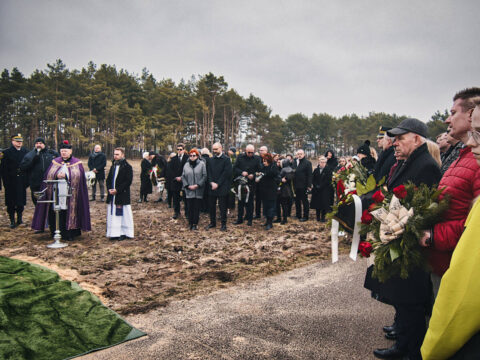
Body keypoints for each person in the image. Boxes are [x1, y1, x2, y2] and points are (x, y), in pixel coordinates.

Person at [368, 118, 441, 360]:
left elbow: (421, 209)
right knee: (402, 299)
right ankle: (403, 344)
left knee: (411, 303)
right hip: (398, 235)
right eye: (394, 139)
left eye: (400, 139)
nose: (395, 143)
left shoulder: (425, 165)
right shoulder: (410, 161)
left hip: (409, 243)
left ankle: (411, 351)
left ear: (417, 139)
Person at [421, 98, 480, 359]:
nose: (447, 120)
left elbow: (471, 228)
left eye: (453, 113)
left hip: (456, 264)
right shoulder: (462, 156)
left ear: (470, 116)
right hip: (443, 259)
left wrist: (433, 235)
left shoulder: (473, 160)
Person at [31, 140, 91, 240]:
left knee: (68, 211)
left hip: (71, 194)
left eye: (66, 151)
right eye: (62, 151)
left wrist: (67, 176)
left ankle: (70, 233)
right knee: (56, 210)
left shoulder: (77, 163)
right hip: (56, 192)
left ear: (70, 152)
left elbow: (79, 177)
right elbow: (48, 175)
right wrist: (56, 175)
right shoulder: (55, 162)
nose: (64, 153)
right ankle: (55, 231)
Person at [20, 137, 59, 206]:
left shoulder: (51, 154)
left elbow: (59, 164)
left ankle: (49, 216)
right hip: (36, 184)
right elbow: (23, 167)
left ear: (44, 144)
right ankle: (39, 216)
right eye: (37, 143)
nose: (38, 145)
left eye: (40, 143)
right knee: (38, 204)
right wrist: (32, 162)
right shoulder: (29, 155)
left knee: (50, 203)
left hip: (50, 183)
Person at [105, 147, 134, 240]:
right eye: (114, 154)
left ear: (123, 155)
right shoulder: (113, 166)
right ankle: (114, 233)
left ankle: (123, 232)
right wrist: (109, 189)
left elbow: (128, 181)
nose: (115, 156)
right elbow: (109, 179)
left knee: (122, 214)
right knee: (113, 214)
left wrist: (118, 190)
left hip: (122, 195)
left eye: (117, 154)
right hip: (112, 195)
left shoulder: (127, 167)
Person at [0, 134, 28, 228]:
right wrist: (6, 182)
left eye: (20, 141)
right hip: (10, 182)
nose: (19, 143)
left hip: (21, 181)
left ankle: (19, 219)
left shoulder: (25, 152)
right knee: (11, 203)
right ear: (12, 141)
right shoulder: (6, 152)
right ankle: (12, 220)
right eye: (17, 141)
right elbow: (3, 169)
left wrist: (26, 181)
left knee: (20, 202)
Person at [205, 142, 232, 231]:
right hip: (212, 186)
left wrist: (218, 184)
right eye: (213, 149)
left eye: (216, 149)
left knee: (222, 207)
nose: (214, 151)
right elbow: (208, 173)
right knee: (211, 206)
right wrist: (212, 183)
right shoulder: (210, 160)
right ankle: (212, 222)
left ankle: (223, 224)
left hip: (222, 187)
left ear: (221, 148)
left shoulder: (226, 159)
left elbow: (226, 173)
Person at [233, 144, 261, 226]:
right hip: (241, 183)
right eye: (249, 152)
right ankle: (239, 219)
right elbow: (235, 168)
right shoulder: (240, 157)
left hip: (251, 183)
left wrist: (254, 175)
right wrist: (242, 172)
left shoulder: (257, 158)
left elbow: (259, 170)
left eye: (252, 152)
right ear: (246, 151)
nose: (250, 154)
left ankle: (249, 219)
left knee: (250, 202)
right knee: (240, 201)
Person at [182, 149, 207, 230]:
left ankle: (195, 223)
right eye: (191, 155)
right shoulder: (186, 165)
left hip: (198, 190)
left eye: (194, 155)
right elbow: (183, 176)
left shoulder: (202, 164)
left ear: (197, 156)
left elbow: (204, 176)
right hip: (189, 190)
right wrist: (187, 185)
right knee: (189, 207)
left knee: (196, 208)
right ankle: (190, 222)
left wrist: (198, 185)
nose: (192, 157)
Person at [257, 153, 279, 230]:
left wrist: (264, 174)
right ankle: (267, 220)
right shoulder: (263, 167)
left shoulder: (273, 166)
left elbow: (273, 174)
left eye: (265, 161)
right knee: (265, 206)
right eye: (263, 161)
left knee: (271, 206)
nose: (264, 162)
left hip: (271, 190)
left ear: (269, 161)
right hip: (264, 190)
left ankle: (270, 222)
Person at [310, 156, 334, 222]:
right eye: (321, 162)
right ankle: (317, 217)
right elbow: (313, 179)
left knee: (324, 204)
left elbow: (328, 180)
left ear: (326, 163)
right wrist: (315, 185)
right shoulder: (316, 170)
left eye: (324, 162)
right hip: (316, 190)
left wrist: (321, 186)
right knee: (317, 204)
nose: (322, 163)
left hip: (324, 190)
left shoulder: (328, 170)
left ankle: (323, 217)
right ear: (319, 162)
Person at [293, 149, 312, 222]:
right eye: (298, 154)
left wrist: (309, 185)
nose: (299, 155)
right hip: (295, 185)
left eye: (301, 154)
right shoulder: (294, 162)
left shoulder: (307, 163)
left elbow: (309, 175)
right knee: (297, 201)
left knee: (304, 201)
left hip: (303, 185)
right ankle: (298, 215)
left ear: (304, 154)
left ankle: (305, 216)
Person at [169, 144, 188, 218]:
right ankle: (176, 212)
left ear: (183, 150)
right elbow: (170, 170)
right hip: (175, 181)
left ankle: (187, 212)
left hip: (185, 181)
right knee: (176, 198)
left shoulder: (188, 158)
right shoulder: (173, 159)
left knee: (186, 198)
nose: (179, 151)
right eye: (178, 149)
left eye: (181, 149)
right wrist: (176, 177)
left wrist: (182, 177)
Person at [277, 158, 294, 224]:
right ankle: (285, 218)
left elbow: (279, 178)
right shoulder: (291, 170)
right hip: (289, 189)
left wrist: (280, 179)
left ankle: (282, 219)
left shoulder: (283, 170)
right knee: (285, 205)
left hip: (282, 189)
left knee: (281, 204)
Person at [254, 145, 269, 218]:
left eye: (262, 150)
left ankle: (266, 214)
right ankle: (257, 214)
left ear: (266, 151)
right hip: (258, 182)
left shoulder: (269, 159)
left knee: (266, 199)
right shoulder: (257, 158)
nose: (260, 152)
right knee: (257, 199)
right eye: (260, 150)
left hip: (266, 182)